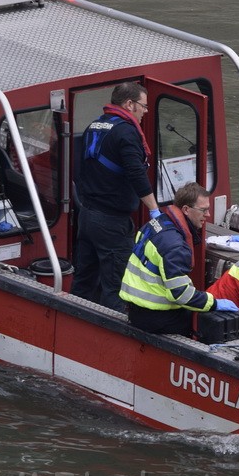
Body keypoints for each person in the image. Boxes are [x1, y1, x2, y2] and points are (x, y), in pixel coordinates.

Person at [71, 82, 160, 312]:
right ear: (129, 104)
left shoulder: (95, 125)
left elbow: (81, 168)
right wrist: (154, 210)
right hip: (111, 222)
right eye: (143, 106)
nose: (146, 111)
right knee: (118, 288)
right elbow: (136, 173)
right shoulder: (126, 131)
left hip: (87, 215)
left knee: (83, 282)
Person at [119, 182, 239, 334]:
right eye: (203, 210)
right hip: (154, 316)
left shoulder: (157, 223)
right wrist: (214, 303)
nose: (208, 215)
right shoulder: (175, 247)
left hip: (136, 307)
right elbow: (180, 294)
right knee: (208, 324)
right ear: (186, 210)